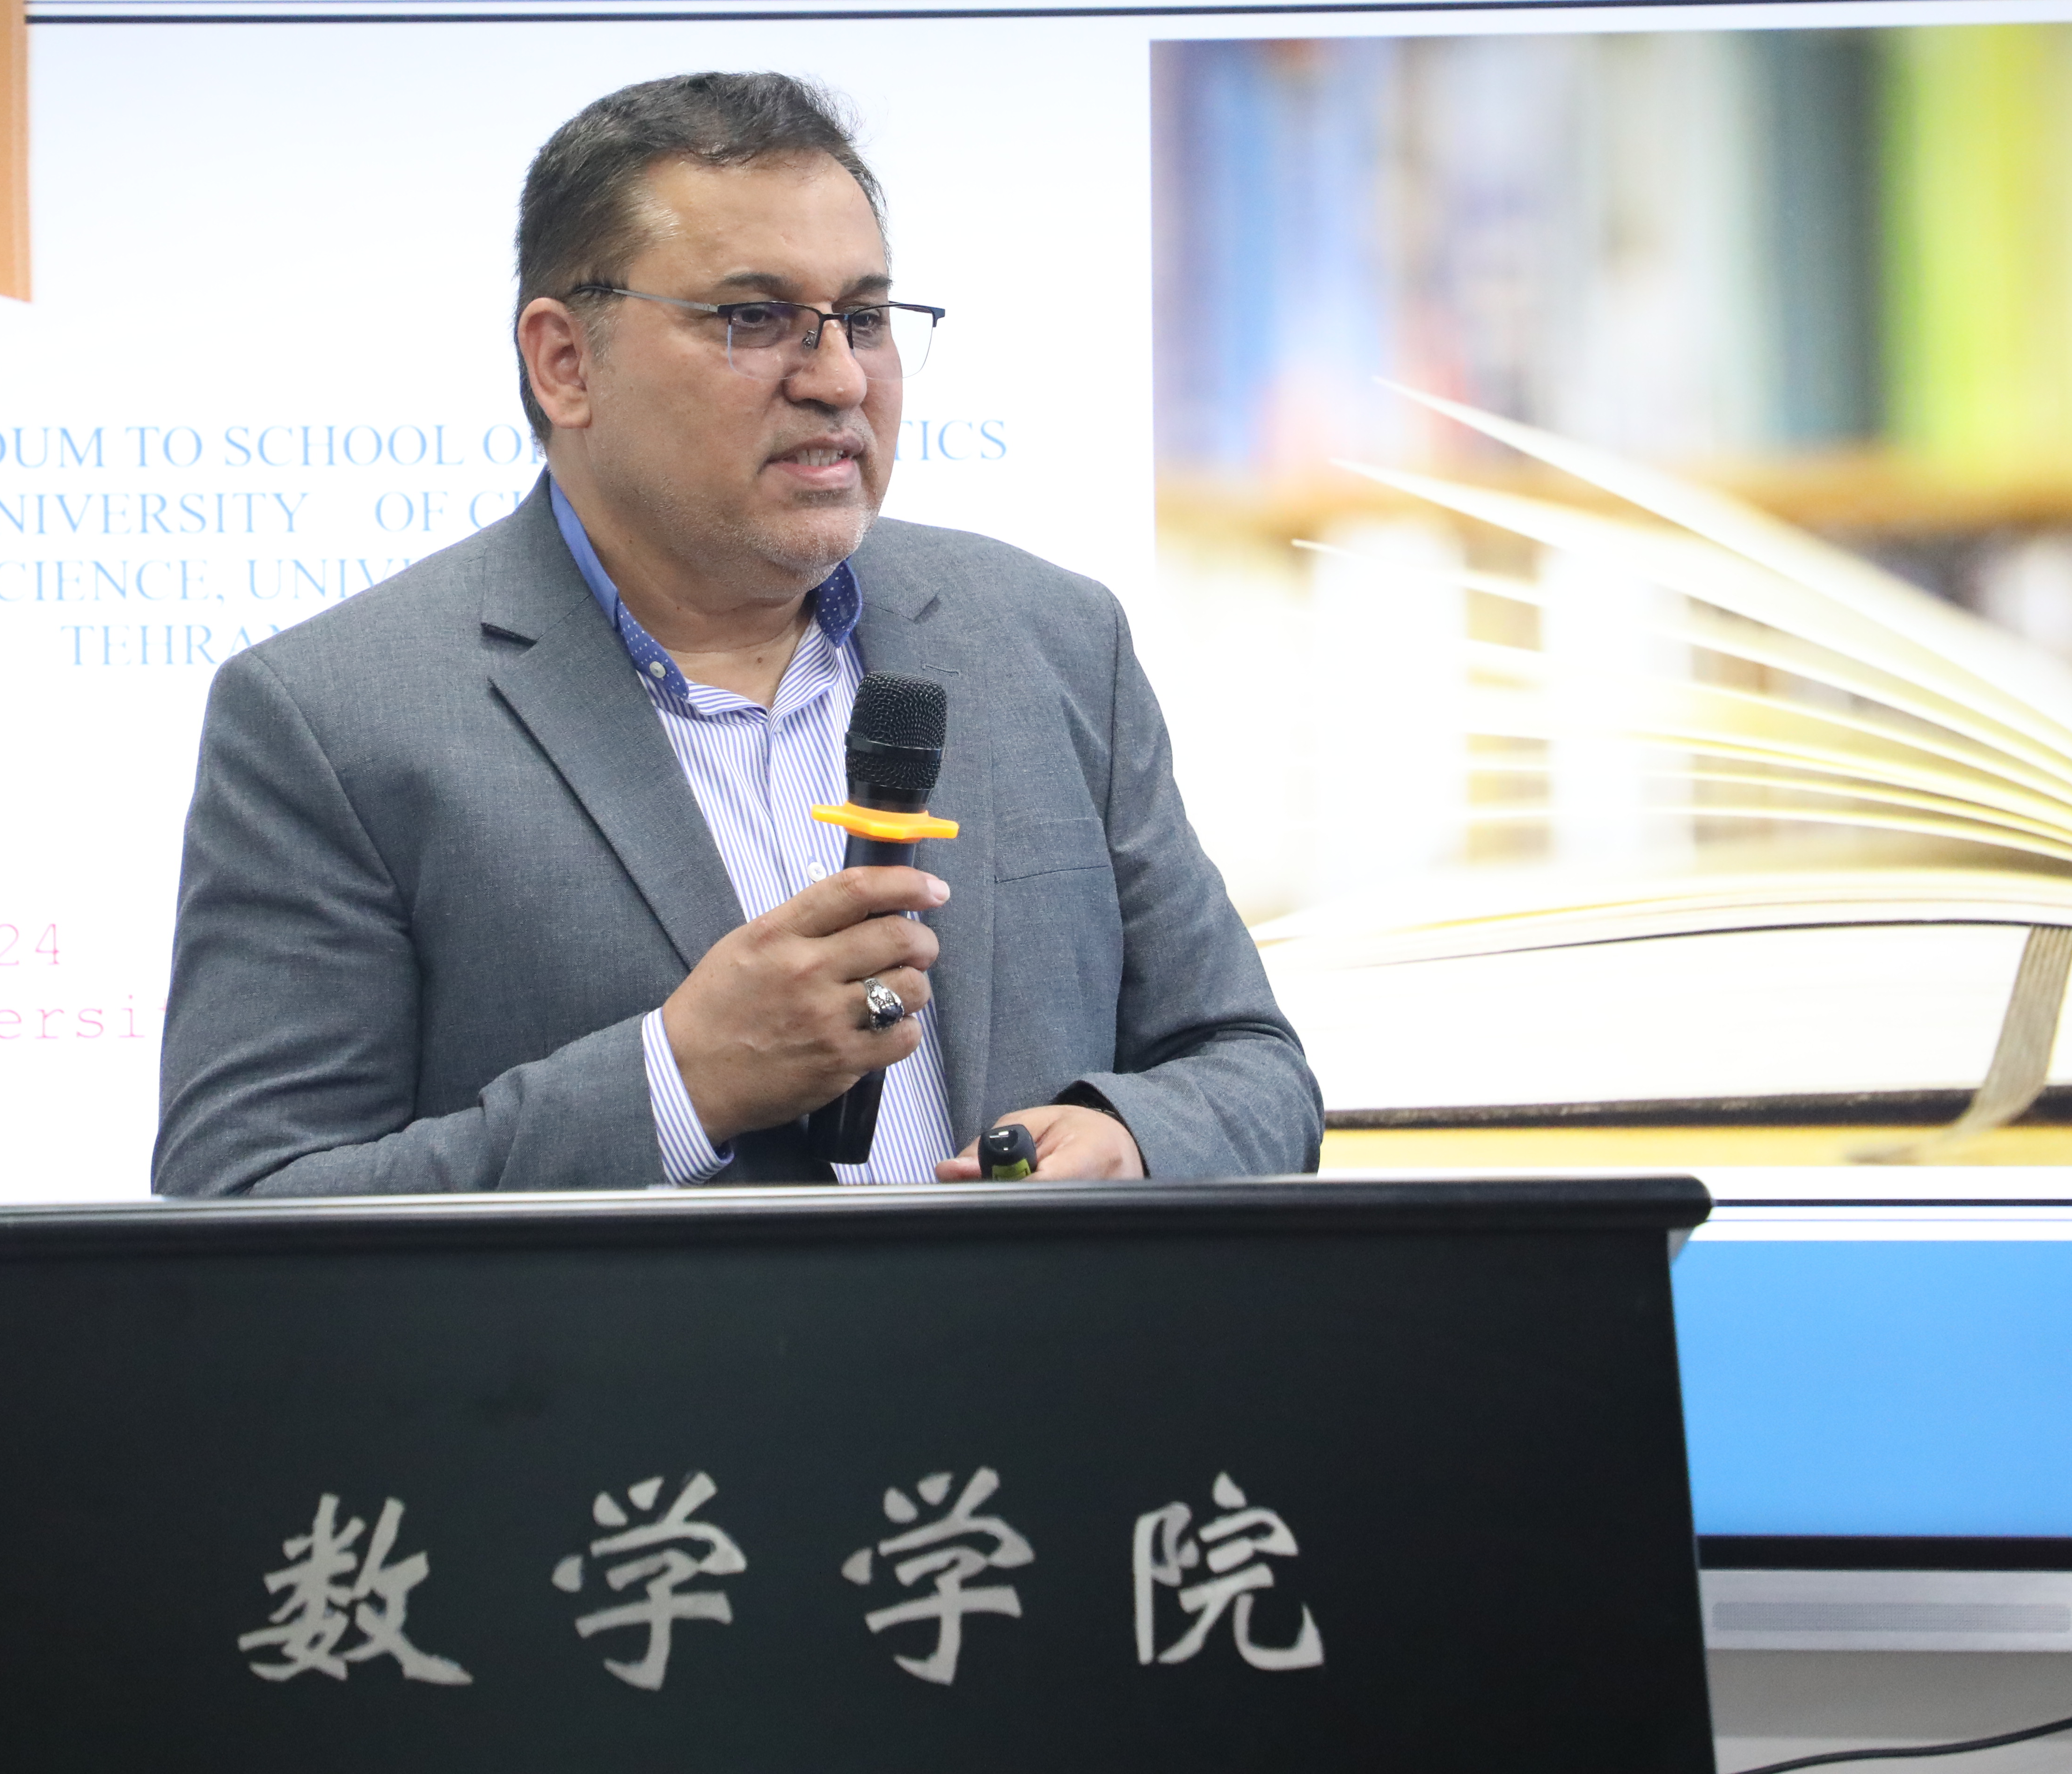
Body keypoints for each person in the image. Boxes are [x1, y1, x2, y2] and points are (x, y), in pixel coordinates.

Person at [153, 72, 1318, 1192]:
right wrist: (679, 1083)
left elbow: (1253, 1070)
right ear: (565, 362)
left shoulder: (1052, 639)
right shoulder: (331, 717)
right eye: (756, 317)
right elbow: (248, 1201)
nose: (838, 378)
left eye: (865, 318)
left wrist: (1130, 1139)